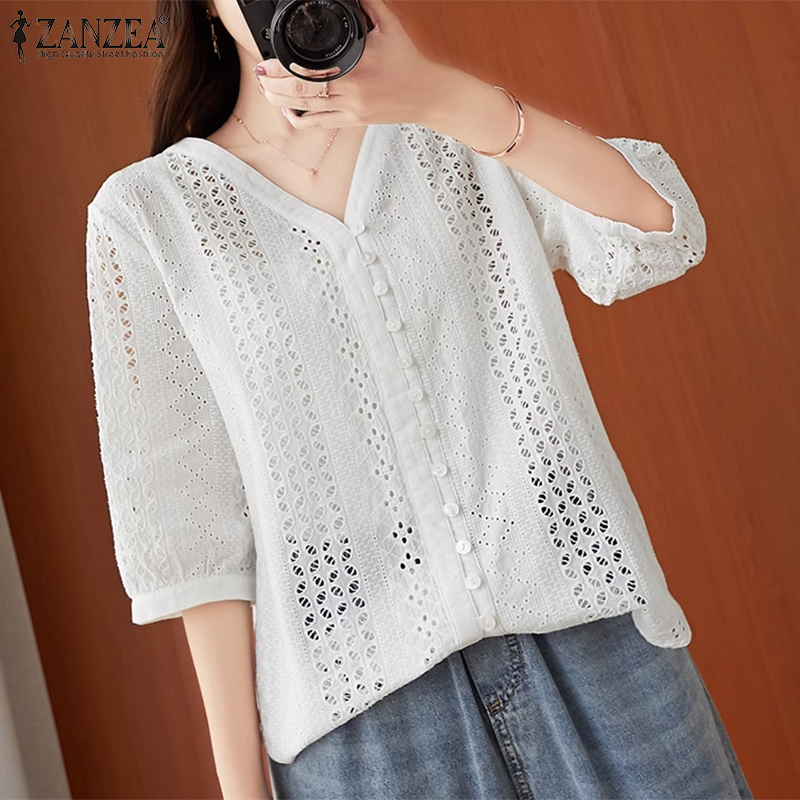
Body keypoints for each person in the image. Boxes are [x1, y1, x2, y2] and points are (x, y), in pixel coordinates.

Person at [84, 0, 754, 798]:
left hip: (595, 646)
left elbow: (658, 229)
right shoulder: (150, 217)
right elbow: (197, 542)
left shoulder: (449, 127)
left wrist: (444, 99)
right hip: (368, 735)